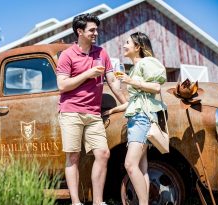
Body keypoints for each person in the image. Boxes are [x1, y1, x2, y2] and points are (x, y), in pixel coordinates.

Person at [56, 13, 126, 205]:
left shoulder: (101, 53)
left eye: (96, 29)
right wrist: (87, 74)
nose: (96, 33)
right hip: (71, 111)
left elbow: (112, 80)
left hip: (94, 114)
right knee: (73, 156)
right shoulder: (67, 55)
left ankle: (98, 202)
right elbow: (62, 85)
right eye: (92, 30)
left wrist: (125, 103)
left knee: (103, 154)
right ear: (80, 31)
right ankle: (76, 202)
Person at [103, 32, 166, 205]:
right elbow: (134, 101)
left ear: (138, 47)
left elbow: (156, 87)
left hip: (142, 119)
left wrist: (130, 81)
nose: (124, 45)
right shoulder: (135, 68)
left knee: (130, 165)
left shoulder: (146, 62)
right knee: (141, 168)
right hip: (136, 117)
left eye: (127, 43)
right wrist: (113, 110)